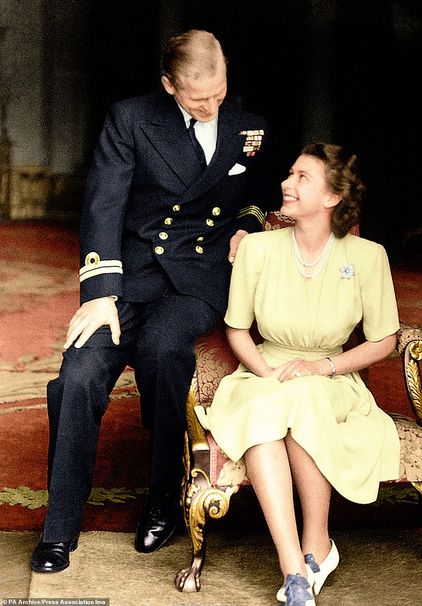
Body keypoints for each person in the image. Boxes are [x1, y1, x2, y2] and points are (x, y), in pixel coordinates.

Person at [30, 29, 275, 573]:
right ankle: (58, 528)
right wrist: (99, 294)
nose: (211, 106)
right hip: (128, 277)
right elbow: (104, 205)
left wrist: (248, 226)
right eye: (197, 98)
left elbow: (259, 189)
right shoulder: (131, 119)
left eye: (218, 93)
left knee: (167, 351)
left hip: (197, 282)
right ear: (169, 85)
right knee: (77, 376)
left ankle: (163, 499)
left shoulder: (247, 125)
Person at [195, 142, 401, 606]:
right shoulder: (258, 249)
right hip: (264, 374)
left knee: (304, 400)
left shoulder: (369, 257)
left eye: (302, 178)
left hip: (331, 380)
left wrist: (322, 366)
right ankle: (295, 568)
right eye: (289, 174)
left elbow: (384, 340)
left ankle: (318, 544)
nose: (286, 184)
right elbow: (237, 330)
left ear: (332, 197)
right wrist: (268, 372)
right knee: (268, 416)